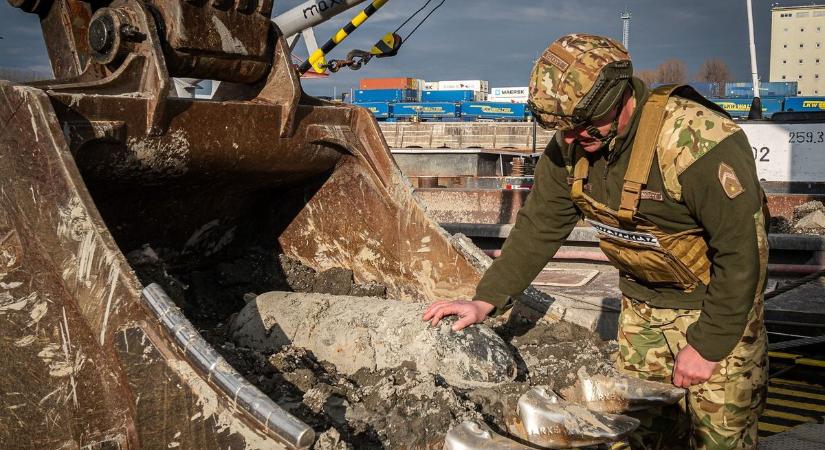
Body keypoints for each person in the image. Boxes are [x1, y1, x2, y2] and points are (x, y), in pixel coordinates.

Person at [423, 33, 768, 449]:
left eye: (584, 127)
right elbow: (540, 226)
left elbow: (743, 254)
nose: (571, 140)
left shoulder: (696, 143)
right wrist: (485, 299)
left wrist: (709, 345)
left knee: (719, 439)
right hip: (642, 313)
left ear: (620, 100)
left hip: (718, 312)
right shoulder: (572, 144)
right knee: (635, 435)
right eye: (562, 130)